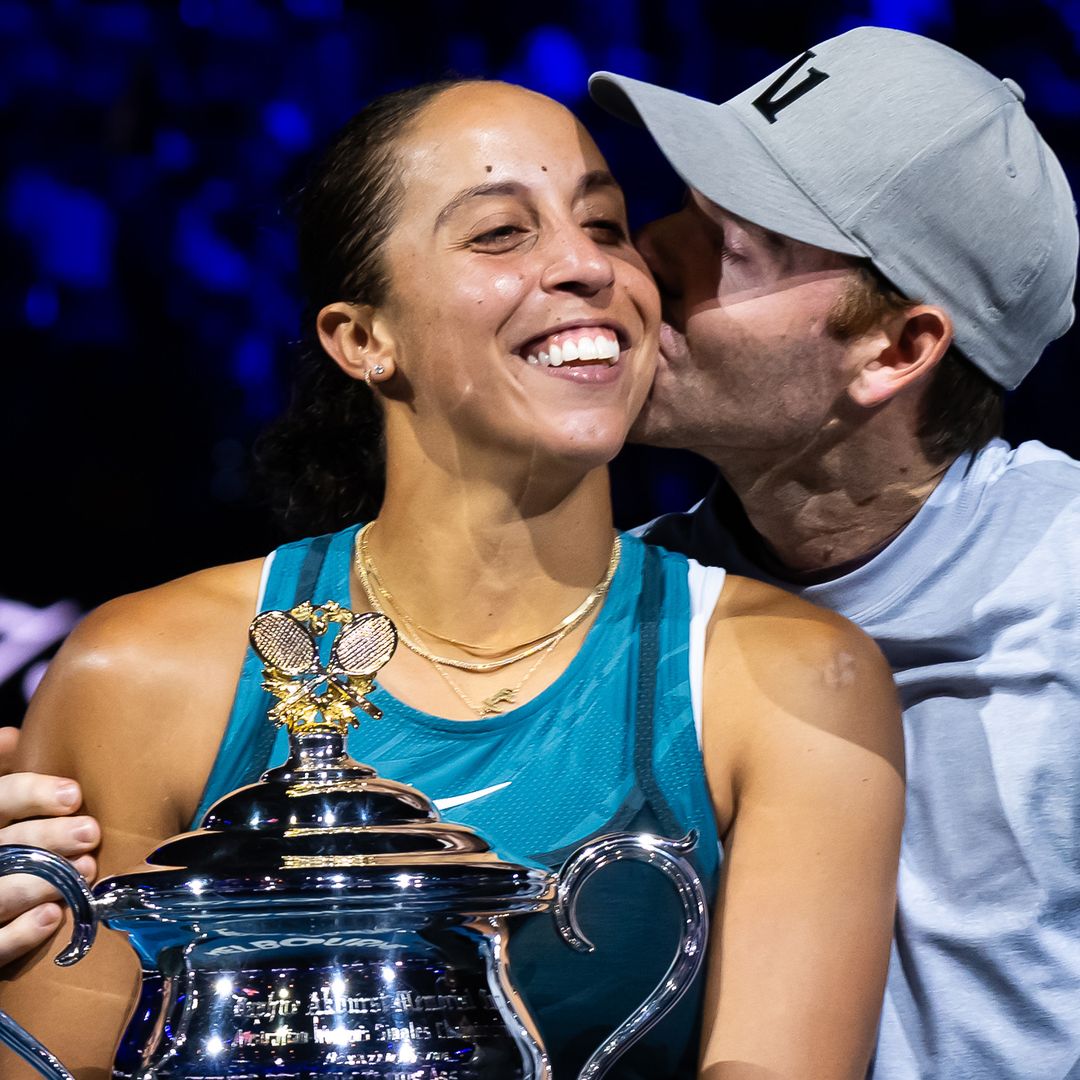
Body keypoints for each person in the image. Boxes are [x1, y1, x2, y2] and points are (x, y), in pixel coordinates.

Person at [0, 80, 902, 1079]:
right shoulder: (141, 671)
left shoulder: (794, 679)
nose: (586, 265)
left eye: (605, 223)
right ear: (362, 339)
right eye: (501, 234)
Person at [588, 25, 1080, 1080]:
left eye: (733, 245)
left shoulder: (1069, 582)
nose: (645, 259)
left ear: (895, 351)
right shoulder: (615, 599)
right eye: (680, 209)